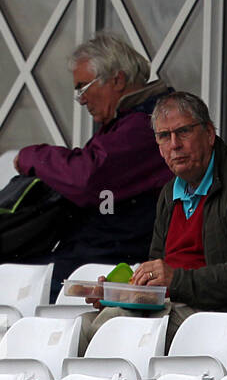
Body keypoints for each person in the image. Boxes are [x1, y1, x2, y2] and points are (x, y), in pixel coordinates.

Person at [81, 91, 227, 348]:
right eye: (164, 136)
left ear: (209, 133)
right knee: (81, 326)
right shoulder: (169, 192)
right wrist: (120, 292)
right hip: (176, 307)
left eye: (183, 132)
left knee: (114, 327)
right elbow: (158, 271)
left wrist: (177, 281)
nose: (174, 144)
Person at [14, 33, 173, 300]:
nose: (81, 100)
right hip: (94, 251)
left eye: (83, 88)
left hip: (113, 257)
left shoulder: (146, 123)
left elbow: (88, 178)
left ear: (118, 79)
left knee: (19, 287)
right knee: (0, 271)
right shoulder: (125, 120)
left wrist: (33, 157)